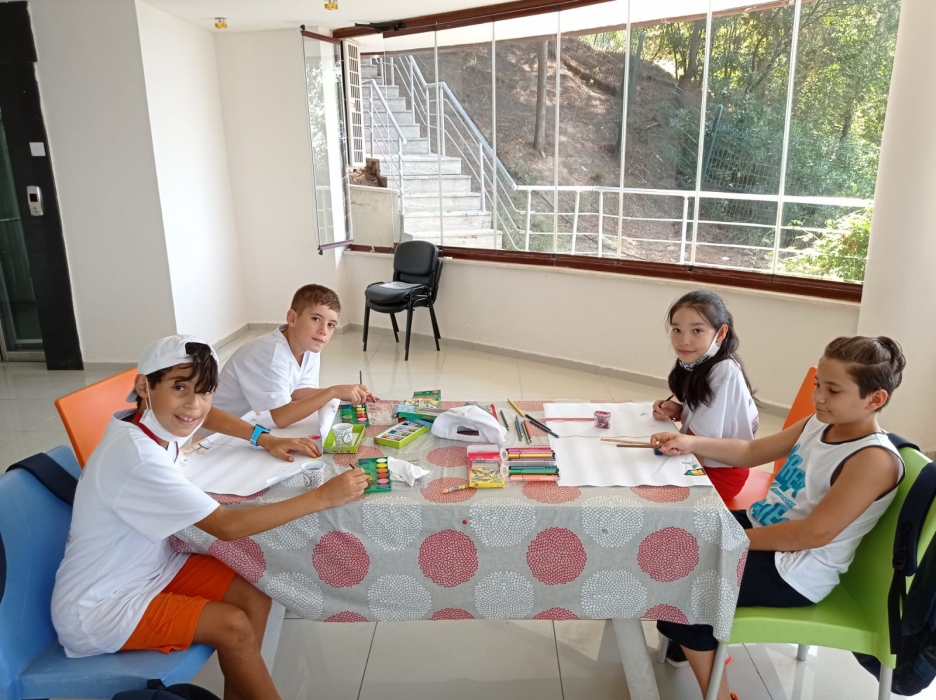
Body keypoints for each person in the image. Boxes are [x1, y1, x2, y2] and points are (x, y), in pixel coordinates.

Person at [52, 336, 367, 700]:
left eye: (204, 391)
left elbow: (205, 415)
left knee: (256, 591)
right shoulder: (137, 456)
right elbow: (226, 527)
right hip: (100, 606)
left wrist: (263, 438)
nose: (193, 404)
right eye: (179, 387)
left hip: (150, 567)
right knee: (232, 626)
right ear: (143, 386)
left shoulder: (148, 422)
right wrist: (322, 498)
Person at [651, 335, 906, 700]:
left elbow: (811, 534)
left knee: (683, 580)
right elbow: (751, 451)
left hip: (795, 570)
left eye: (833, 391)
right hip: (767, 530)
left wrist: (727, 541)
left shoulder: (873, 459)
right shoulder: (819, 424)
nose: (819, 397)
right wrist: (692, 443)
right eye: (818, 385)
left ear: (875, 399)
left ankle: (715, 686)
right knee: (671, 533)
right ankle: (691, 641)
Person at [211, 284, 376, 428]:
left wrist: (344, 392)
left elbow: (297, 393)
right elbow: (282, 418)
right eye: (316, 319)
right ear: (292, 318)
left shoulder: (309, 346)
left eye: (331, 325)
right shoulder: (272, 354)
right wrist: (333, 391)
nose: (323, 331)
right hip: (217, 435)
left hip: (251, 425)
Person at [653, 290, 759, 503]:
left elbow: (699, 443)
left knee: (647, 489)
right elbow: (713, 419)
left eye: (697, 330)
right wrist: (681, 411)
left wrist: (689, 486)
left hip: (720, 474)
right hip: (707, 459)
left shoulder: (723, 370)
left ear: (720, 333)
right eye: (677, 330)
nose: (684, 341)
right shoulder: (699, 361)